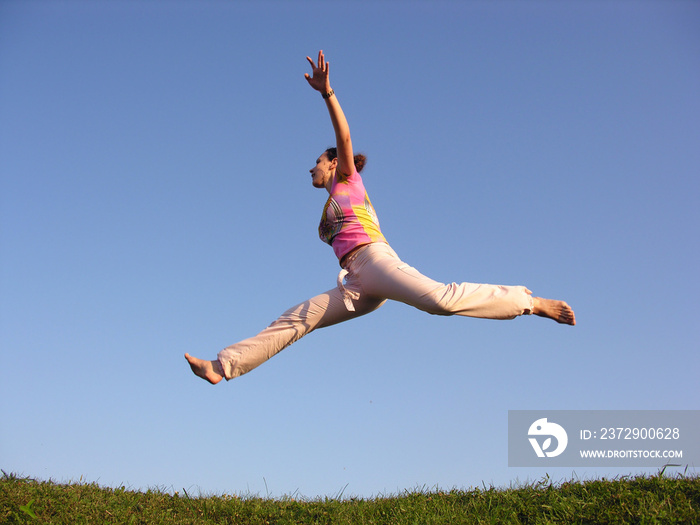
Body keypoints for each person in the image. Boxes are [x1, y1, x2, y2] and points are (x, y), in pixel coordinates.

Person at [185, 50, 575, 385]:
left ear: (334, 163)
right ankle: (224, 365)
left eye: (317, 162)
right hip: (356, 280)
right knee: (299, 318)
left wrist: (328, 93)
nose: (311, 169)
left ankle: (529, 302)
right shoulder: (331, 201)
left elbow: (345, 134)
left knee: (441, 300)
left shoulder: (347, 181)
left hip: (376, 260)